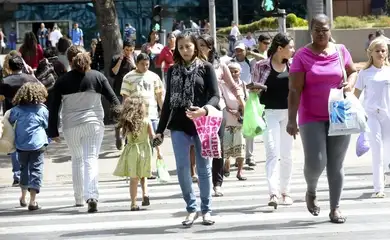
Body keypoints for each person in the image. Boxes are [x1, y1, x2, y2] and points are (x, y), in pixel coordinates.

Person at [287, 14, 357, 223]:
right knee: (317, 162)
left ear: (330, 30)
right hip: (311, 116)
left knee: (336, 164)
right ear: (311, 30)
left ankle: (335, 208)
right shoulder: (302, 55)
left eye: (324, 29)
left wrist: (351, 83)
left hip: (338, 113)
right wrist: (291, 119)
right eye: (317, 29)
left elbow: (352, 71)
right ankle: (311, 190)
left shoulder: (340, 50)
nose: (320, 33)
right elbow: (294, 90)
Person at [155, 32, 220, 226]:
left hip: (202, 124)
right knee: (183, 169)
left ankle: (206, 209)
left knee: (204, 169)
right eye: (181, 47)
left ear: (195, 47)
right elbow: (167, 103)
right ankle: (191, 208)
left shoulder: (206, 68)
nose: (184, 50)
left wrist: (204, 110)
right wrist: (160, 130)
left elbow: (216, 96)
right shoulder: (172, 70)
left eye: (188, 47)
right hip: (178, 126)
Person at [47, 45, 120, 213]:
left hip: (71, 126)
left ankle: (79, 197)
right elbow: (114, 100)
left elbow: (54, 106)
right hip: (93, 124)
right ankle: (92, 196)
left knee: (77, 159)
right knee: (90, 158)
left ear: (70, 61)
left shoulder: (62, 80)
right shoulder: (98, 77)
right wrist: (122, 120)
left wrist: (52, 131)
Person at [253, 33, 295, 208]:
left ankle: (285, 191)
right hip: (268, 113)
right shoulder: (261, 66)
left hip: (289, 114)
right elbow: (254, 90)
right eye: (290, 47)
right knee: (272, 153)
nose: (293, 50)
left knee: (286, 155)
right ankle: (273, 193)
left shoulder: (293, 66)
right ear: (280, 48)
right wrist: (254, 89)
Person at [354, 37, 390, 198]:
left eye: (383, 51)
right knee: (377, 150)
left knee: (387, 151)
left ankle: (385, 173)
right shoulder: (364, 73)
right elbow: (355, 95)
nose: (381, 53)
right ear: (371, 53)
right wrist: (358, 113)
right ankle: (378, 187)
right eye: (377, 51)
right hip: (371, 116)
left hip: (387, 115)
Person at [113, 95, 159, 210]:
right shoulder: (146, 121)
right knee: (143, 174)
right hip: (145, 150)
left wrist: (118, 139)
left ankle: (133, 203)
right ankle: (145, 194)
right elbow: (153, 137)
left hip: (132, 151)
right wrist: (159, 151)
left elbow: (119, 131)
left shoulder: (128, 122)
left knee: (134, 178)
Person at [0, 55, 39, 187]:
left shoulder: (5, 81)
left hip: (11, 115)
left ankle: (17, 174)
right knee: (28, 144)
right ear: (22, 66)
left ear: (9, 67)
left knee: (13, 145)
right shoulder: (30, 79)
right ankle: (27, 173)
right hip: (30, 115)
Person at [9, 82, 49, 211]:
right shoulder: (42, 110)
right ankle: (33, 200)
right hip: (38, 144)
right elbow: (46, 125)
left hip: (21, 145)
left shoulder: (16, 110)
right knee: (36, 170)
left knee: (23, 169)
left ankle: (23, 197)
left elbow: (9, 121)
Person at [222, 62, 247, 181]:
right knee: (226, 147)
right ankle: (226, 164)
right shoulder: (222, 85)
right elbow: (220, 101)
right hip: (226, 120)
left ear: (240, 72)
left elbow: (247, 101)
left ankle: (240, 171)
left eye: (235, 71)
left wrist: (240, 112)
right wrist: (232, 111)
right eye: (230, 71)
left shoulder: (243, 85)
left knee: (241, 148)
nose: (233, 73)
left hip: (240, 121)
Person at [110, 40, 137, 149]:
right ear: (123, 49)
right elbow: (113, 73)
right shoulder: (116, 58)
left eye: (131, 50)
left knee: (129, 116)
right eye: (126, 50)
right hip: (119, 90)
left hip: (131, 92)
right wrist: (120, 60)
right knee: (119, 114)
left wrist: (133, 64)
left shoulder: (135, 58)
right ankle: (118, 134)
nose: (128, 52)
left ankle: (127, 140)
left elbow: (139, 72)